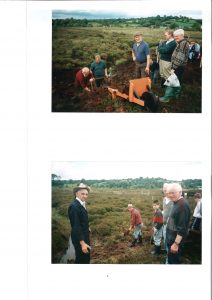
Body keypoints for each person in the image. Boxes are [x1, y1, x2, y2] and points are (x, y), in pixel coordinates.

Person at [159, 29, 189, 102]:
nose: (175, 38)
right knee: (177, 80)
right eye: (175, 36)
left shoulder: (183, 43)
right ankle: (176, 94)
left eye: (177, 36)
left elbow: (180, 57)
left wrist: (173, 67)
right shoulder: (181, 42)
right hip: (179, 66)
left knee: (171, 80)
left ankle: (166, 98)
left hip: (178, 66)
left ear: (182, 35)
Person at [166, 183, 191, 264]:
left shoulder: (182, 206)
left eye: (173, 192)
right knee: (171, 260)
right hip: (171, 239)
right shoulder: (176, 202)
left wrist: (176, 244)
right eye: (168, 193)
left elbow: (182, 228)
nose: (170, 195)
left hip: (175, 242)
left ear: (180, 192)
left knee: (174, 262)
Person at [68, 183, 91, 264]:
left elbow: (81, 220)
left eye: (86, 194)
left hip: (83, 235)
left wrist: (87, 227)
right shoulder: (74, 206)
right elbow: (76, 226)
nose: (85, 196)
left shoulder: (81, 203)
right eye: (82, 194)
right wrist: (82, 243)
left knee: (84, 257)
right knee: (82, 259)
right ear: (76, 193)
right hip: (80, 239)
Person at [162, 183, 173, 261]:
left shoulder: (173, 200)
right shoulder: (164, 199)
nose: (165, 191)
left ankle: (169, 257)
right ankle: (167, 252)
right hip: (164, 223)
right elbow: (165, 210)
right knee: (165, 238)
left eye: (166, 190)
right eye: (164, 190)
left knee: (169, 240)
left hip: (171, 226)